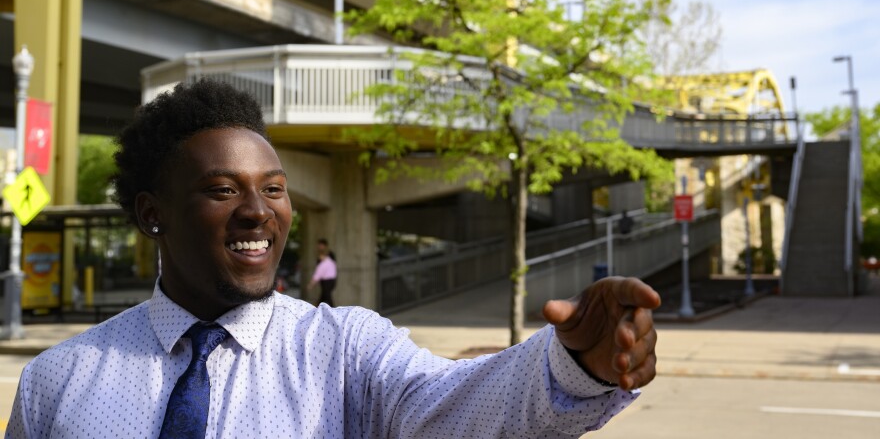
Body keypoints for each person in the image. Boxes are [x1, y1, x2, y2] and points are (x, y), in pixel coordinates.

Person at [6, 81, 660, 438]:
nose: (259, 210)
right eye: (222, 189)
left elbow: (454, 405)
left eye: (274, 187)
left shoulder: (345, 349)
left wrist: (574, 364)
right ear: (153, 214)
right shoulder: (57, 383)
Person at [308, 237, 337, 306]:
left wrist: (312, 283)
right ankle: (317, 308)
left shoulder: (329, 256)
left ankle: (332, 310)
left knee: (326, 296)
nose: (319, 247)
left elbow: (319, 272)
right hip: (325, 280)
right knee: (324, 296)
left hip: (328, 280)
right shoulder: (321, 257)